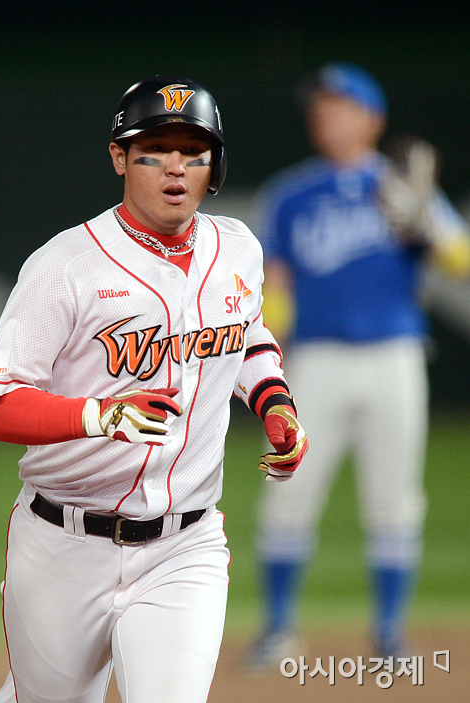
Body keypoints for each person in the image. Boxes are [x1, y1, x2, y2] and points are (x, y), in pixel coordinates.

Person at [0, 75, 308, 703]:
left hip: (185, 546)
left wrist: (275, 404)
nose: (176, 168)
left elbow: (247, 335)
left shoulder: (237, 248)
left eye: (194, 152)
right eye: (154, 151)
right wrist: (99, 416)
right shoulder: (65, 265)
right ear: (119, 158)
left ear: (214, 166)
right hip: (61, 544)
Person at [249, 62, 470, 667]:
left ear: (372, 118)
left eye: (340, 106)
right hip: (315, 359)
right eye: (319, 107)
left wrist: (424, 217)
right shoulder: (291, 194)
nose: (325, 116)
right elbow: (276, 284)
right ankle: (276, 629)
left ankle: (390, 635)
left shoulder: (402, 186)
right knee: (287, 489)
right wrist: (267, 358)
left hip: (395, 354)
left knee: (394, 499)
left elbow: (459, 262)